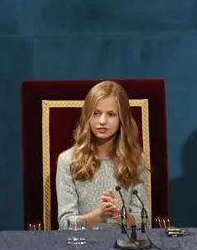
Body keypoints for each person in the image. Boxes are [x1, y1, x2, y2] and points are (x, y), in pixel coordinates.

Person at [56, 81, 149, 230]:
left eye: (111, 114)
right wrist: (98, 216)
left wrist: (120, 216)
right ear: (87, 117)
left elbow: (144, 220)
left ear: (122, 119)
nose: (102, 121)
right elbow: (65, 223)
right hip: (82, 242)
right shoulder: (68, 161)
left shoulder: (135, 160)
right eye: (96, 113)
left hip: (124, 241)